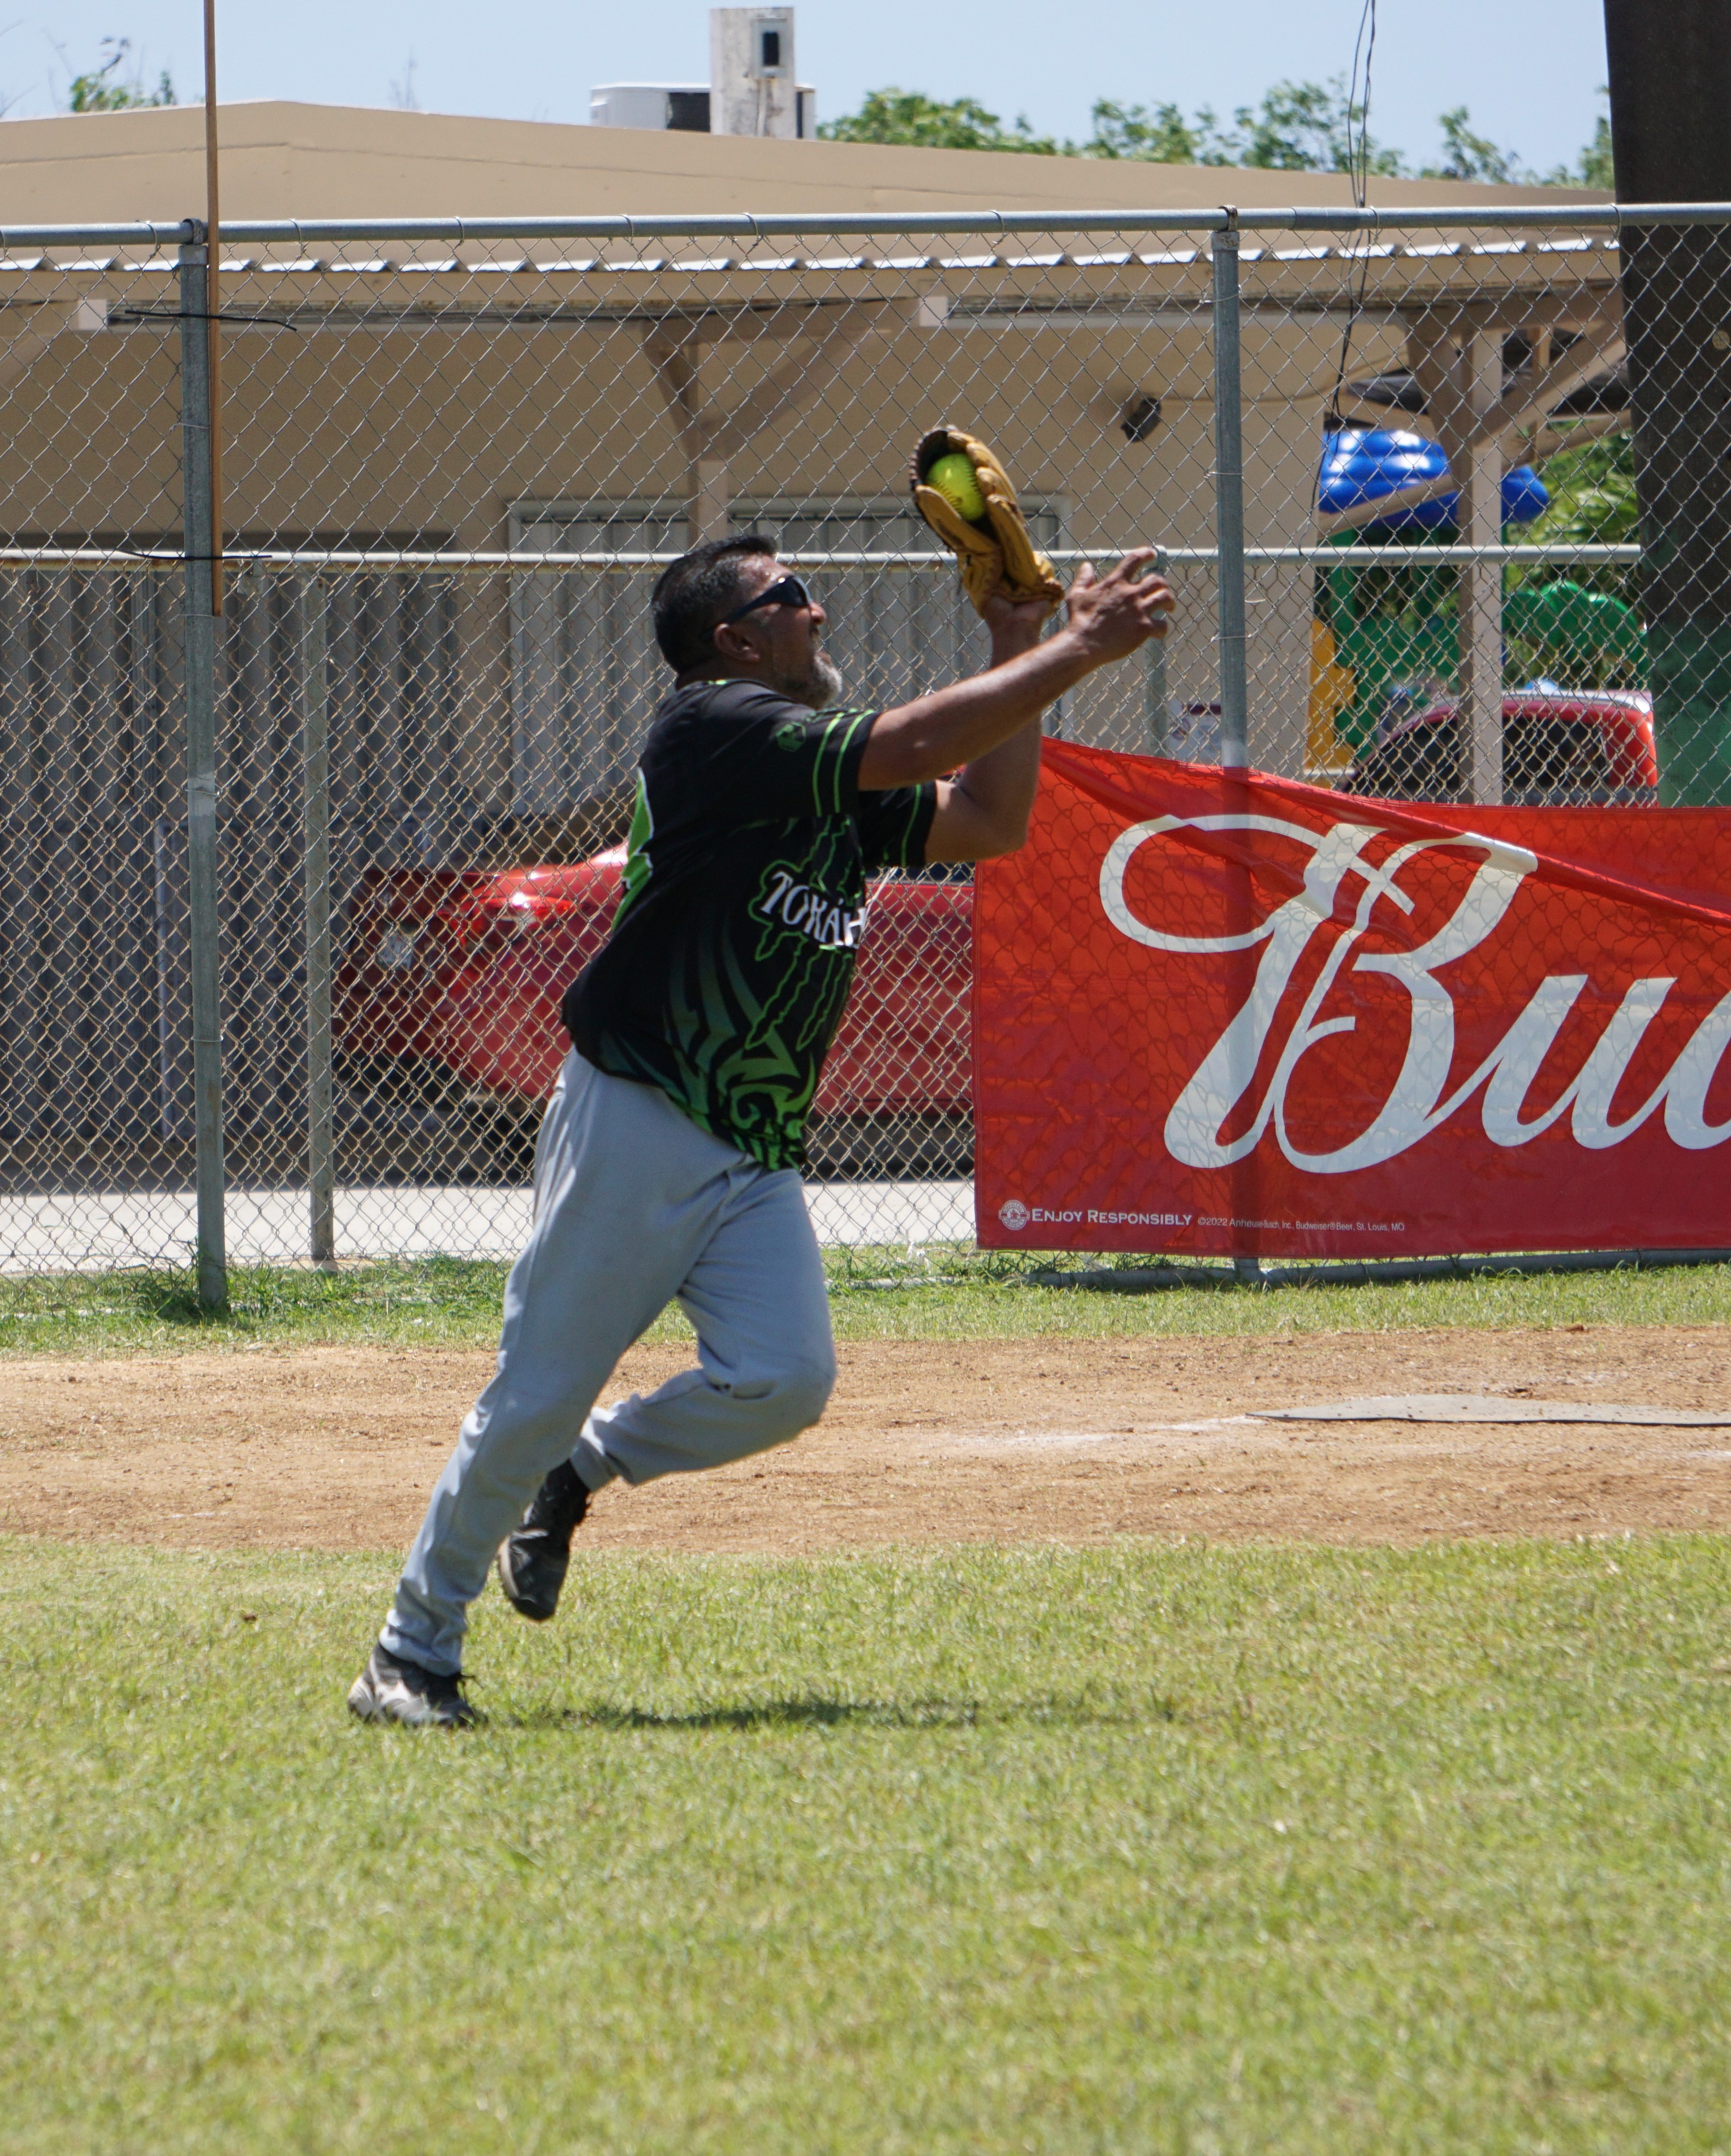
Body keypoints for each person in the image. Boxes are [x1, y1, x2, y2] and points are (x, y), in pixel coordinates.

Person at [349, 533, 1173, 1725]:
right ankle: (408, 1651)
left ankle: (581, 1472)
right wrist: (1077, 649)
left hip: (755, 1139)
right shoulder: (715, 728)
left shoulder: (813, 774)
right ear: (733, 642)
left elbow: (989, 815)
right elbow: (920, 743)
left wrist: (1013, 644)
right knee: (533, 1391)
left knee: (785, 1380)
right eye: (789, 598)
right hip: (641, 1106)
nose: (818, 610)